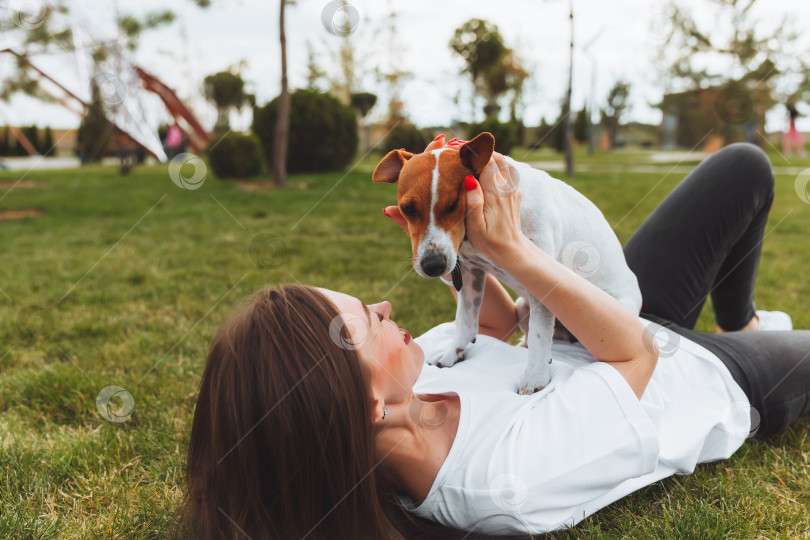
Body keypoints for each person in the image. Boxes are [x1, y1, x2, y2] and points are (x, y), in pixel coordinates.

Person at [181, 137, 810, 539]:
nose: (386, 303)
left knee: (743, 167)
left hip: (584, 313)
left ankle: (743, 318)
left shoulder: (406, 379)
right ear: (367, 403)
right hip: (687, 373)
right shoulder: (500, 481)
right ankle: (747, 342)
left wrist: (457, 236)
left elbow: (500, 324)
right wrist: (513, 248)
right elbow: (635, 352)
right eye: (369, 321)